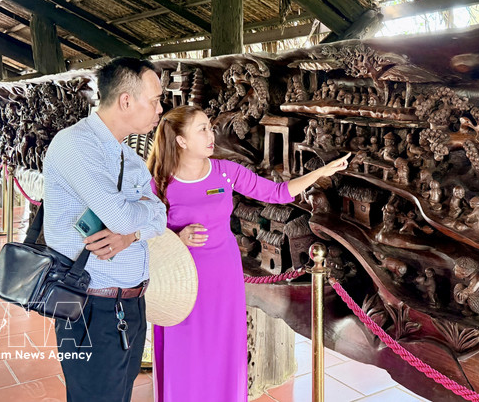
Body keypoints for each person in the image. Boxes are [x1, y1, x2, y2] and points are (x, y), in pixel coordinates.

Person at [147, 105, 349, 402]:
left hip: (224, 274)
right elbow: (145, 236)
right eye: (201, 129)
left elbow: (277, 193)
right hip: (180, 281)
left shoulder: (225, 172)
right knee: (185, 346)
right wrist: (177, 238)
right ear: (181, 140)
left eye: (210, 127)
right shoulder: (159, 184)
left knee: (223, 345)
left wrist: (320, 173)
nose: (210, 134)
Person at [42, 57, 168, 402]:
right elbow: (126, 215)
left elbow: (159, 215)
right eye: (155, 100)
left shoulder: (128, 156)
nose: (161, 109)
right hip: (88, 307)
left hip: (130, 305)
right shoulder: (75, 145)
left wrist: (132, 234)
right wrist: (136, 218)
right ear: (126, 101)